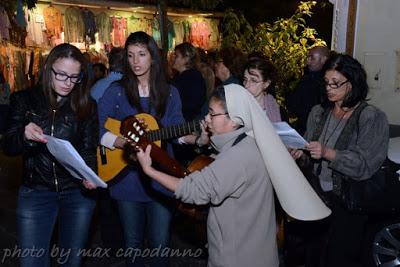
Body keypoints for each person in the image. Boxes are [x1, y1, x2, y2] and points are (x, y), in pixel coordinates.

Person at [135, 84, 331, 267]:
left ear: (235, 120)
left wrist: (149, 170)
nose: (206, 120)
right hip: (256, 250)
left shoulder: (237, 157)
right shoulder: (250, 140)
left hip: (236, 256)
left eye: (212, 114)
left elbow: (191, 190)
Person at [3, 43, 98, 267]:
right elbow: (8, 146)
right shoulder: (23, 99)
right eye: (62, 74)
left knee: (71, 261)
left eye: (74, 77)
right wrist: (24, 135)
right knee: (32, 262)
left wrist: (90, 174)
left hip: (77, 194)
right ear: (48, 69)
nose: (68, 83)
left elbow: (87, 148)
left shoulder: (86, 104)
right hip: (36, 192)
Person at [290, 54, 389, 267]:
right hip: (315, 196)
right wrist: (300, 152)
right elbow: (309, 147)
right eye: (326, 82)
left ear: (352, 84)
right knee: (312, 256)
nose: (329, 88)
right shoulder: (318, 112)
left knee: (339, 258)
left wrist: (327, 152)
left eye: (335, 83)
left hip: (347, 203)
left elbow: (364, 164)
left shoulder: (370, 117)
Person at [97, 31, 184, 267]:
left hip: (162, 177)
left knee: (160, 244)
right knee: (133, 243)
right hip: (127, 178)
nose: (136, 61)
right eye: (131, 55)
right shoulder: (116, 91)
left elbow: (176, 132)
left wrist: (192, 138)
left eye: (142, 55)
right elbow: (97, 127)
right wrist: (122, 143)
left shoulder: (170, 92)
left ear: (153, 57)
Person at [287, 46, 330, 135]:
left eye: (312, 58)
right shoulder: (307, 79)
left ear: (324, 60)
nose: (308, 61)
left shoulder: (327, 83)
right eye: (308, 57)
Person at [171, 42, 206, 121]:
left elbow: (194, 104)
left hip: (187, 123)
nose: (173, 58)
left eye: (176, 56)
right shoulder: (177, 76)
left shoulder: (194, 77)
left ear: (186, 59)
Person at [243, 57, 281, 122]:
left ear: (266, 84)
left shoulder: (272, 106)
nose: (246, 85)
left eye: (253, 80)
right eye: (245, 79)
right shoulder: (238, 103)